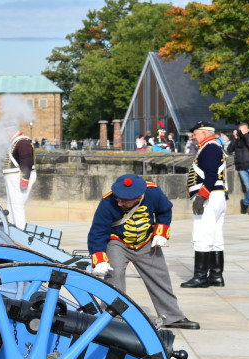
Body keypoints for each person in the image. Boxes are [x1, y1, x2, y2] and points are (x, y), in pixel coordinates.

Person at [88, 174, 200, 329]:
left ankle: (172, 316)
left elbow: (165, 210)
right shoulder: (108, 201)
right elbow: (98, 232)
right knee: (115, 273)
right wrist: (99, 258)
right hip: (118, 241)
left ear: (138, 197)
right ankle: (113, 317)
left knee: (159, 275)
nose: (119, 202)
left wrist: (161, 232)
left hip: (146, 239)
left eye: (124, 201)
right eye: (118, 199)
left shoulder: (153, 193)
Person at [181, 121, 228, 289]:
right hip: (217, 196)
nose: (194, 136)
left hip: (209, 196)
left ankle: (200, 277)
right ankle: (216, 276)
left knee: (202, 235)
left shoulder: (209, 148)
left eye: (196, 133)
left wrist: (202, 196)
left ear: (204, 133)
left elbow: (211, 174)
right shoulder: (212, 147)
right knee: (215, 238)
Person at [2, 129, 36, 230]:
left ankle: (19, 229)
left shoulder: (23, 142)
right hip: (14, 178)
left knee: (17, 205)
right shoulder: (17, 142)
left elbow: (27, 162)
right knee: (12, 204)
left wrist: (24, 179)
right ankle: (13, 226)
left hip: (19, 177)